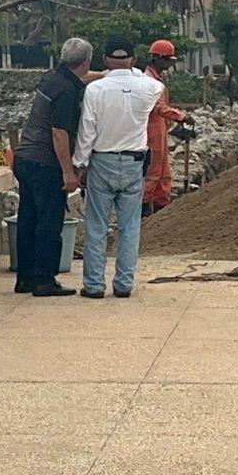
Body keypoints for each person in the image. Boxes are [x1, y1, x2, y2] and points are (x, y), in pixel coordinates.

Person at [73, 37, 166, 298]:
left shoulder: (96, 90)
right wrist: (129, 70)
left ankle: (93, 284)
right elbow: (152, 82)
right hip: (134, 162)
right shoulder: (149, 88)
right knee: (129, 226)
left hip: (102, 160)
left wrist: (80, 163)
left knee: (97, 226)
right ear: (134, 60)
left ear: (104, 61)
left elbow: (87, 130)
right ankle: (124, 284)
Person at [13, 37, 92, 297]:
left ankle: (25, 277)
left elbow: (79, 77)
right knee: (49, 222)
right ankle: (45, 280)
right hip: (45, 164)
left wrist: (105, 74)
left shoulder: (51, 78)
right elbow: (59, 133)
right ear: (86, 62)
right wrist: (68, 172)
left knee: (28, 220)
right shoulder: (67, 92)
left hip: (24, 158)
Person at [141, 39, 190, 216]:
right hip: (151, 131)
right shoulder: (149, 82)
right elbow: (159, 107)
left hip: (160, 129)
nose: (169, 65)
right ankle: (144, 211)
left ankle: (161, 209)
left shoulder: (156, 79)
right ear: (158, 59)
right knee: (152, 173)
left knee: (163, 173)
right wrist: (181, 116)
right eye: (168, 60)